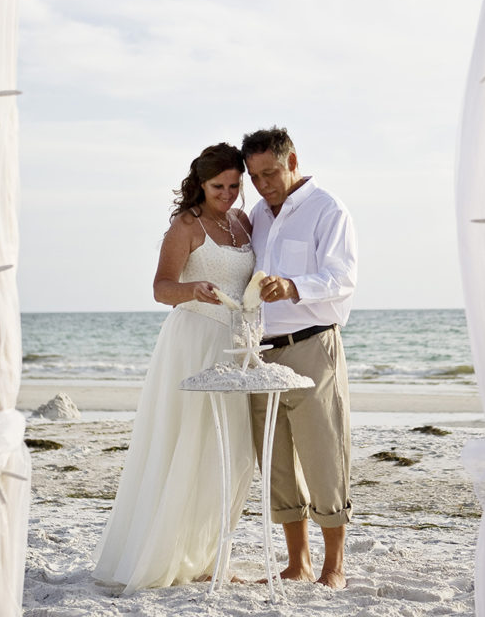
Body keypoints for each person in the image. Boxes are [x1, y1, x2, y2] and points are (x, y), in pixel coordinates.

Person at [93, 143, 256, 592]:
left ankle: (206, 555)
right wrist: (192, 288)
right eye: (217, 186)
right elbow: (161, 288)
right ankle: (161, 554)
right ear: (200, 184)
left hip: (235, 346)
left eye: (234, 185)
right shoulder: (187, 224)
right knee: (187, 444)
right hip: (194, 341)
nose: (226, 193)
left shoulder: (243, 222)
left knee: (232, 452)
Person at [241, 126, 358, 589]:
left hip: (313, 347)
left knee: (325, 454)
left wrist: (293, 286)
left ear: (293, 161)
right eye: (254, 176)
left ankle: (335, 566)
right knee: (277, 459)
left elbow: (343, 277)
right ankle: (298, 562)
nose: (263, 184)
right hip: (263, 351)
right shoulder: (257, 215)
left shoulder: (328, 209)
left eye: (269, 173)